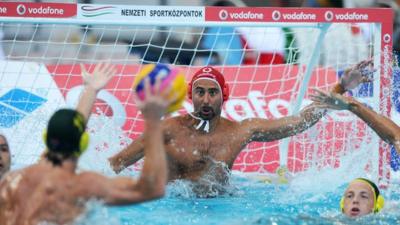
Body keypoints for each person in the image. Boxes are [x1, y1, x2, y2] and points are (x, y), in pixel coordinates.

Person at [109, 60, 374, 197]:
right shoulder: (168, 129)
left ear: (223, 95)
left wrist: (341, 88)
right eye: (199, 92)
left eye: (212, 92)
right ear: (191, 95)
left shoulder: (241, 131)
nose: (205, 99)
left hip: (224, 205)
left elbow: (299, 122)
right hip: (171, 207)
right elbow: (117, 162)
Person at [0, 63, 171, 225]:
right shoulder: (83, 186)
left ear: (47, 139)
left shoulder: (12, 180)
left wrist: (91, 89)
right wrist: (153, 120)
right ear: (83, 143)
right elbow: (152, 189)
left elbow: (74, 127)